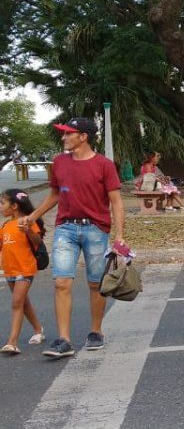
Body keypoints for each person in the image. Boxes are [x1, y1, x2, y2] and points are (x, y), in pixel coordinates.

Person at [20, 117, 124, 358]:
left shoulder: (104, 165)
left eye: (68, 133)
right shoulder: (59, 162)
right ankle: (64, 340)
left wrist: (120, 237)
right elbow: (54, 194)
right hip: (65, 228)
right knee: (61, 282)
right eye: (64, 134)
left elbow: (117, 202)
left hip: (96, 229)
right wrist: (33, 216)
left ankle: (96, 331)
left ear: (83, 136)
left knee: (95, 283)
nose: (63, 138)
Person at [0, 190, 45, 355]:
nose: (0, 207)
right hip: (10, 270)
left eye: (2, 203)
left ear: (14, 206)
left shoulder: (27, 222)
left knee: (16, 303)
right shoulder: (5, 226)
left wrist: (28, 230)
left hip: (24, 269)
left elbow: (38, 242)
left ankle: (12, 342)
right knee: (23, 303)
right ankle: (38, 329)